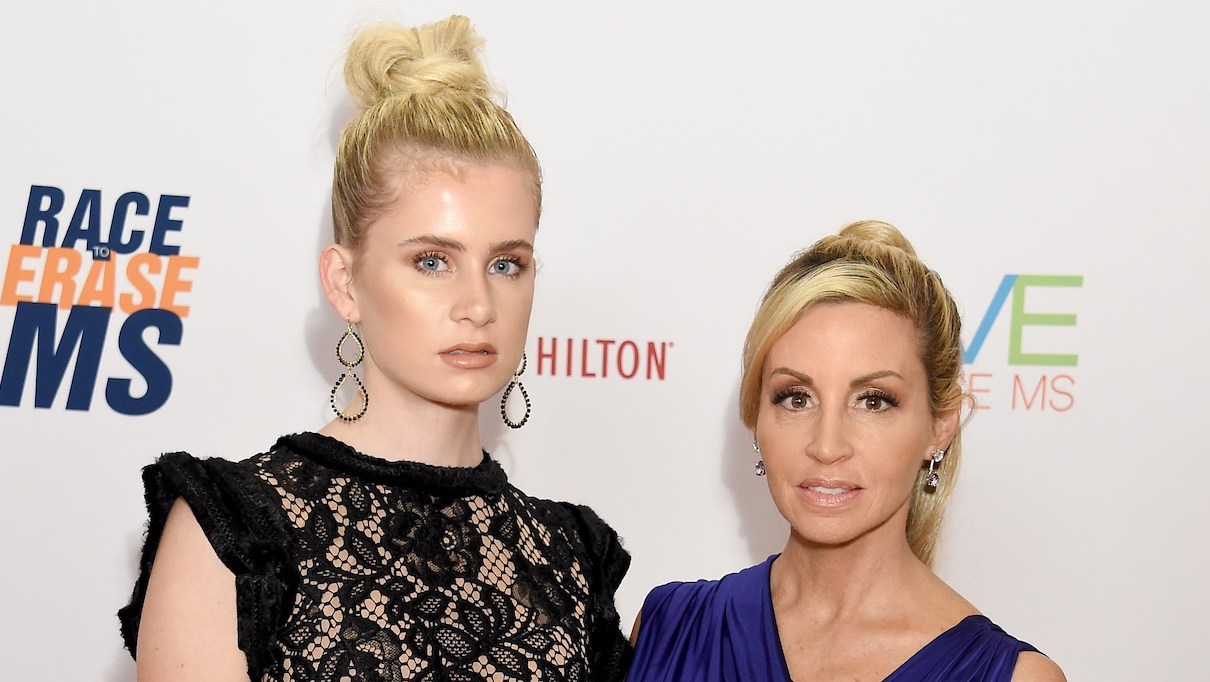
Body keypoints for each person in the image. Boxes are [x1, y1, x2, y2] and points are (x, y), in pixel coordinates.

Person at [118, 16, 630, 682]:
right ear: (344, 282)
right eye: (432, 261)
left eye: (506, 264)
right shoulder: (239, 531)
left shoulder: (571, 559)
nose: (478, 304)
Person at [626, 221, 1064, 681]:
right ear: (756, 416)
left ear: (940, 425)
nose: (826, 445)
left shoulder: (1015, 677)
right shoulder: (668, 629)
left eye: (873, 401)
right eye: (796, 399)